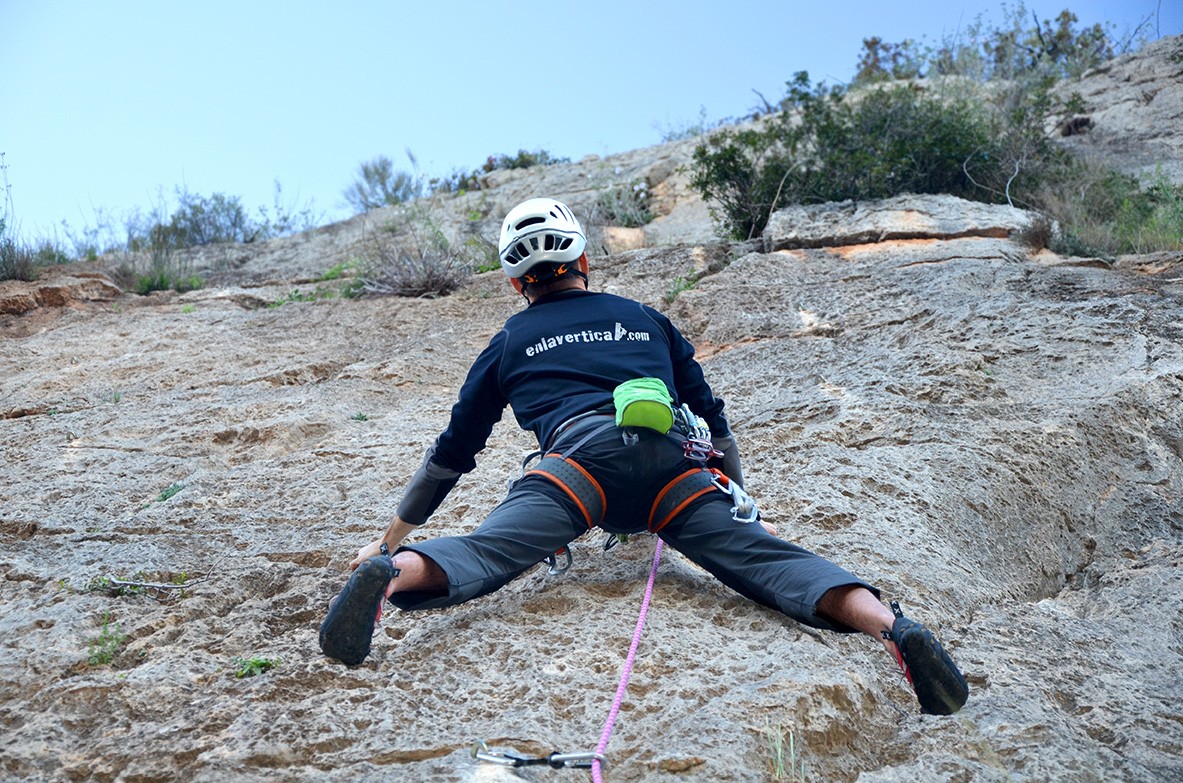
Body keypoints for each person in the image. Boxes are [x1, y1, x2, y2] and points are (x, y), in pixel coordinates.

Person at [319, 197, 968, 716]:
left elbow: (452, 454)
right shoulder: (643, 317)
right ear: (584, 262)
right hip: (671, 470)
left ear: (517, 281)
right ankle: (891, 627)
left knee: (487, 550)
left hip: (574, 470)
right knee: (777, 565)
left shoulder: (509, 339)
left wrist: (389, 536)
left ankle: (389, 574)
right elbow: (713, 422)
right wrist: (740, 506)